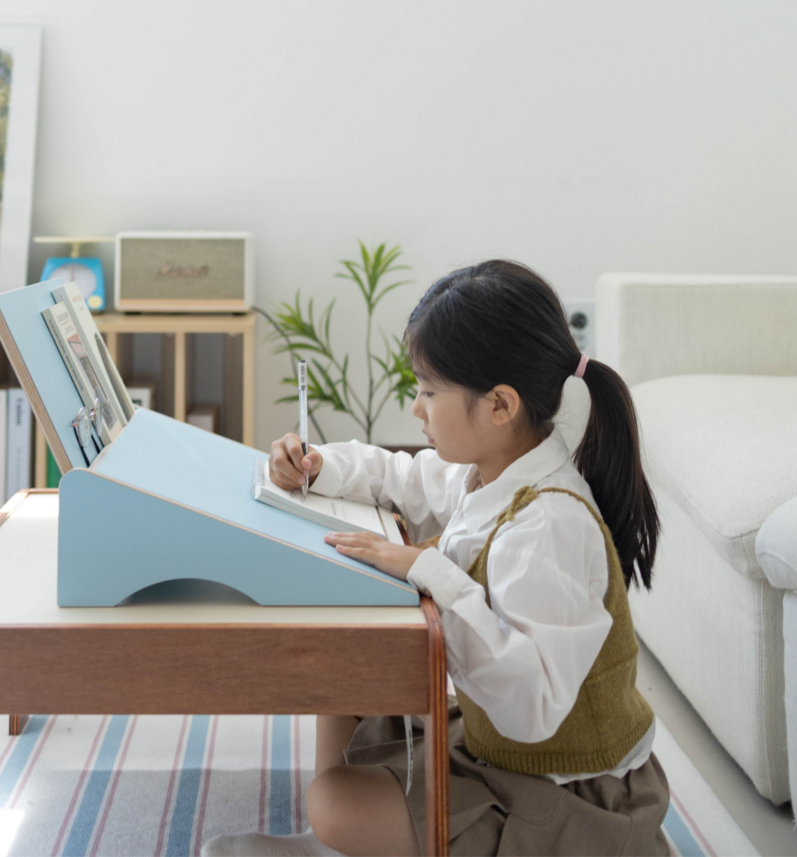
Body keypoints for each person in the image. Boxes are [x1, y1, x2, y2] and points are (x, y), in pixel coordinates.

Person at [202, 260, 668, 857]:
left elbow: (531, 711)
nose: (416, 407)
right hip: (504, 745)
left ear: (499, 405)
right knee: (342, 671)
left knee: (334, 804)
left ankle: (340, 840)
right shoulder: (495, 468)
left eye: (428, 391)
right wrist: (317, 466)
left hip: (570, 791)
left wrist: (428, 571)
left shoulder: (548, 528)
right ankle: (346, 844)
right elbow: (402, 476)